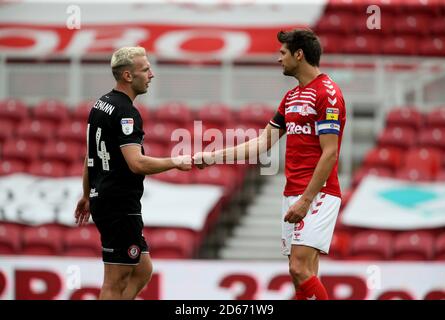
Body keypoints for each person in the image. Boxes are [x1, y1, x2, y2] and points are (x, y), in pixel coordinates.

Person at [194, 29, 346, 300]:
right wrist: (214, 156)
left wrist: (306, 200)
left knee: (299, 268)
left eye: (283, 53)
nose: (279, 59)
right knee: (301, 273)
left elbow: (330, 153)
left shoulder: (327, 94)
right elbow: (261, 144)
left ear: (299, 54)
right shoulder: (291, 98)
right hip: (292, 192)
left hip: (318, 193)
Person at [74, 47, 192, 300]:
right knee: (115, 282)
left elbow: (90, 155)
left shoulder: (101, 104)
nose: (152, 74)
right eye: (145, 69)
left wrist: (86, 195)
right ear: (128, 76)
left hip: (106, 199)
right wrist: (175, 161)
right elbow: (136, 164)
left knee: (142, 270)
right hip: (118, 204)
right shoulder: (126, 112)